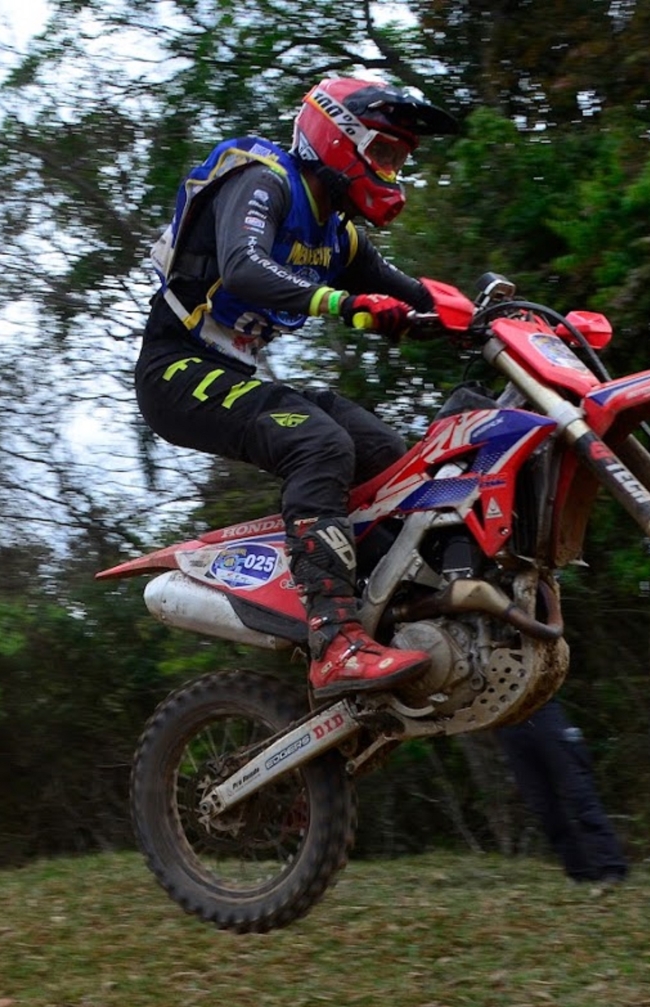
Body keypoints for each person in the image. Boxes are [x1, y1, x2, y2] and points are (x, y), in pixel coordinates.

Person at [134, 76, 460, 699]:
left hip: (230, 374)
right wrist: (346, 303)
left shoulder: (338, 234)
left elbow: (412, 294)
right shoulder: (266, 180)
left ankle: (393, 613)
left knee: (393, 458)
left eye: (400, 160)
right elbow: (243, 266)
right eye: (386, 153)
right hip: (174, 371)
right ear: (341, 139)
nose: (392, 172)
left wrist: (487, 318)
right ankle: (334, 640)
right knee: (319, 444)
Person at [493, 698, 629, 884]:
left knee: (579, 794)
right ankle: (579, 872)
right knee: (542, 805)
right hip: (506, 723)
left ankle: (611, 869)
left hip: (543, 712)